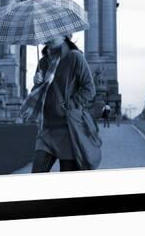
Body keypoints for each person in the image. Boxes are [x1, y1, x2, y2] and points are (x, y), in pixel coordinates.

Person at [27, 34, 96, 173]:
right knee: (36, 173)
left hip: (69, 130)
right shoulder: (42, 62)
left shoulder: (75, 57)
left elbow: (90, 89)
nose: (47, 35)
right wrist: (36, 84)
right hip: (46, 130)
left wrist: (71, 104)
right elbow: (39, 96)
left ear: (64, 35)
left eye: (52, 31)